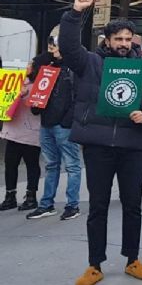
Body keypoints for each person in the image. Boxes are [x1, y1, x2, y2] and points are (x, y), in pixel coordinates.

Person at [62, 0, 142, 285]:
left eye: (128, 39)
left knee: (132, 205)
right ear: (107, 40)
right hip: (98, 146)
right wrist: (74, 15)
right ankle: (95, 265)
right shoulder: (90, 63)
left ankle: (132, 259)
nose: (123, 43)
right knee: (98, 206)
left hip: (131, 147)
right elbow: (69, 49)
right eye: (118, 38)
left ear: (133, 41)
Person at [26, 37, 83, 221]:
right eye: (51, 45)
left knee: (71, 165)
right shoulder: (49, 67)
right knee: (53, 165)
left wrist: (68, 120)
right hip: (48, 123)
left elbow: (78, 97)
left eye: (55, 46)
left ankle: (72, 205)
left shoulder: (73, 70)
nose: (52, 49)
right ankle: (47, 204)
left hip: (61, 124)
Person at [0, 62, 41, 213]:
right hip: (13, 131)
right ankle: (10, 195)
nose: (26, 67)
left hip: (31, 132)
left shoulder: (39, 85)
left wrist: (26, 96)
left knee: (32, 165)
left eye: (30, 65)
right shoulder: (14, 82)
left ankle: (31, 196)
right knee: (10, 165)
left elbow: (38, 109)